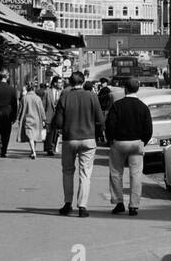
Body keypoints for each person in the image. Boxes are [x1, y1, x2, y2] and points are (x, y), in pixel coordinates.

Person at [51, 69, 105, 216]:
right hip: (88, 139)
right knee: (85, 173)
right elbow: (100, 120)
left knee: (67, 171)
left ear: (70, 82)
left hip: (69, 139)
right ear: (83, 81)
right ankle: (82, 206)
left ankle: (67, 204)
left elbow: (58, 122)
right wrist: (98, 134)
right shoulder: (92, 96)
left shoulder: (65, 97)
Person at [104, 77, 152, 215]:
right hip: (136, 143)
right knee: (136, 175)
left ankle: (118, 202)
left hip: (119, 143)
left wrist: (110, 140)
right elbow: (148, 129)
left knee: (116, 173)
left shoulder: (117, 105)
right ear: (138, 89)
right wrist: (143, 141)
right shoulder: (143, 107)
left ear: (125, 89)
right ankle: (134, 205)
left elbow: (110, 125)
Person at [18, 81, 46, 159]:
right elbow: (41, 110)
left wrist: (18, 118)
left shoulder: (24, 98)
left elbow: (20, 110)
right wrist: (44, 119)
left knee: (30, 136)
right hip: (37, 119)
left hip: (28, 119)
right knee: (34, 136)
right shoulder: (38, 98)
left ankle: (33, 151)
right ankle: (33, 150)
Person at [43, 76, 61, 155]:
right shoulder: (47, 92)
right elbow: (43, 105)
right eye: (59, 82)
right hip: (49, 116)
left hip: (58, 117)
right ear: (55, 83)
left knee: (56, 133)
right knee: (49, 133)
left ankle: (53, 147)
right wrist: (43, 118)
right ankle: (48, 149)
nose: (61, 84)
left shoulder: (61, 93)